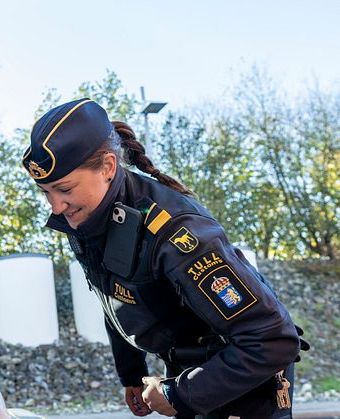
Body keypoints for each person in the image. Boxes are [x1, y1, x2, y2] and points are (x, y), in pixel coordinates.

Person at [21, 98, 307, 418]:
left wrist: (177, 393)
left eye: (64, 189)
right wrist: (131, 374)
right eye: (46, 192)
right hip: (191, 366)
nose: (56, 207)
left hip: (243, 376)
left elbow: (272, 341)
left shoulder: (177, 233)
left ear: (108, 167)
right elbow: (115, 295)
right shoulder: (91, 221)